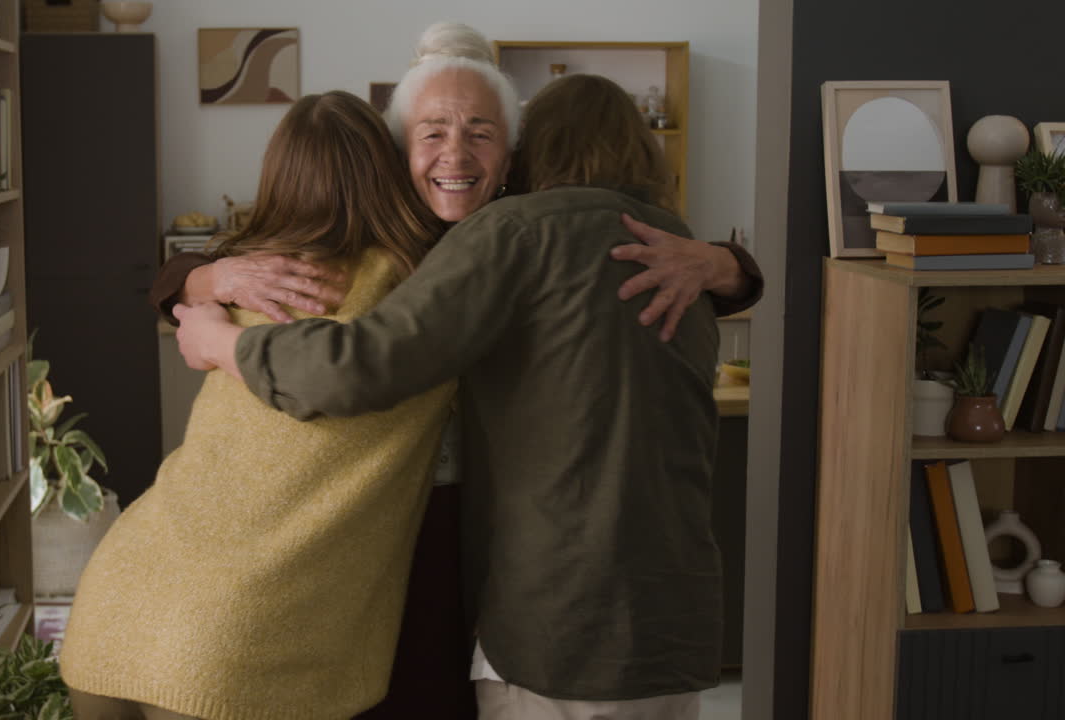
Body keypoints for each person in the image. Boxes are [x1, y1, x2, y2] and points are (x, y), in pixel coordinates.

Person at [150, 23, 761, 719]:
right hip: (386, 524)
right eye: (432, 132)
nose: (455, 154)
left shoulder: (534, 231)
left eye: (480, 132)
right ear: (400, 146)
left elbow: (355, 363)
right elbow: (245, 279)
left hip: (503, 546)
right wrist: (201, 281)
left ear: (515, 155)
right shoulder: (383, 232)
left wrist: (730, 265)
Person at [57, 91, 459, 719]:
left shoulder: (249, 277)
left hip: (120, 591)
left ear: (278, 177)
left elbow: (177, 288)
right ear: (389, 168)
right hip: (240, 633)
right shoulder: (425, 290)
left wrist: (208, 286)